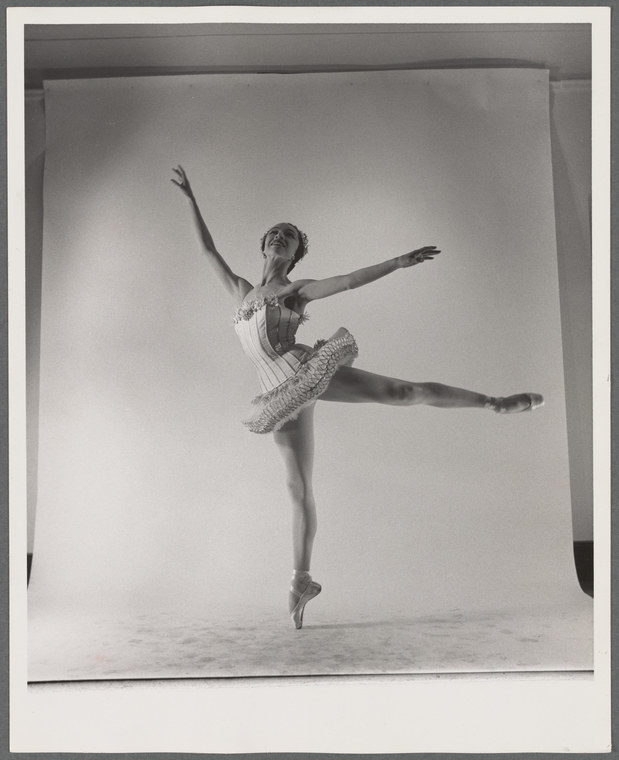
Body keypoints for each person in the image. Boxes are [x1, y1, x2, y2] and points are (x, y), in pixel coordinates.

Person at [171, 165, 544, 629]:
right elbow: (207, 250)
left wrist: (396, 263)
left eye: (290, 238)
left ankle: (495, 403)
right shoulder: (241, 291)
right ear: (265, 244)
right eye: (276, 234)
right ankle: (301, 580)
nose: (282, 239)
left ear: (295, 255)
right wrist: (191, 199)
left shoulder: (296, 291)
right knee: (297, 488)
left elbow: (347, 281)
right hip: (276, 396)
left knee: (403, 391)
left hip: (305, 371)